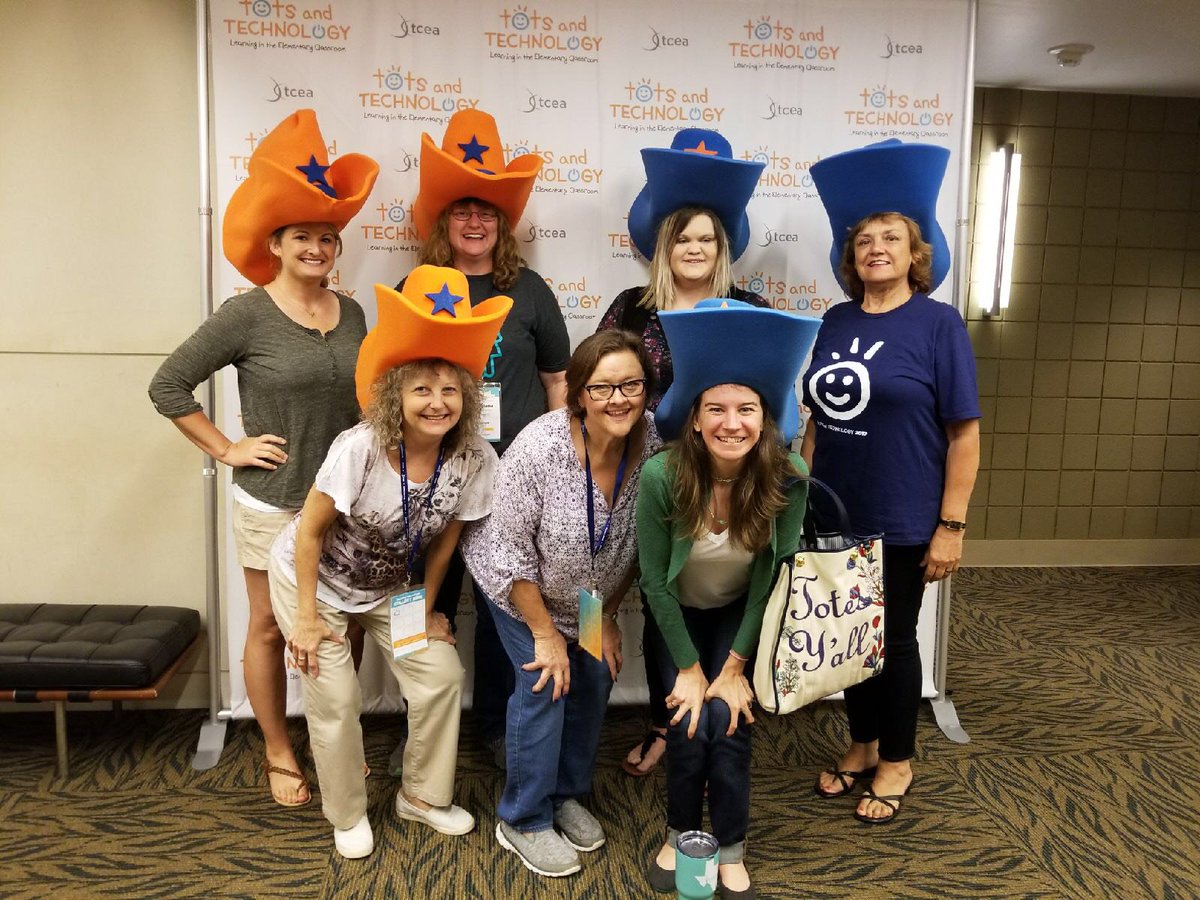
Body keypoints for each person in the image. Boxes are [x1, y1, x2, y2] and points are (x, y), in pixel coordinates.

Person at [149, 109, 378, 808]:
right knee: (271, 625)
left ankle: (332, 738)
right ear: (274, 242)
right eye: (302, 236)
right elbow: (168, 385)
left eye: (327, 236)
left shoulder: (355, 312)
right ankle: (279, 749)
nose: (316, 246)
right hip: (273, 497)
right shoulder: (245, 314)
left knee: (340, 620)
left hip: (343, 502)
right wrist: (227, 448)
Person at [267, 265, 511, 858]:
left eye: (450, 390)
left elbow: (447, 539)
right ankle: (347, 813)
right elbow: (308, 535)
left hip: (389, 587)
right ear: (394, 396)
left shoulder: (476, 456)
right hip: (315, 583)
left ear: (467, 398)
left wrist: (423, 609)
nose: (437, 403)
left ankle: (422, 797)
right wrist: (303, 616)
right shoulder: (361, 448)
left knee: (438, 675)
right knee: (339, 699)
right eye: (421, 390)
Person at [803, 140, 981, 825]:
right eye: (865, 240)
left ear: (917, 253)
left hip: (906, 515)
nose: (876, 248)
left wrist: (952, 524)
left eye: (893, 238)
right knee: (850, 638)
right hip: (834, 511)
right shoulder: (835, 320)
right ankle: (861, 744)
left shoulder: (939, 325)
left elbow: (963, 433)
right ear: (851, 258)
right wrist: (806, 490)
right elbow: (817, 418)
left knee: (895, 641)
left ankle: (898, 759)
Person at [596, 128, 769, 777]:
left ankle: (718, 715)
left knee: (718, 601)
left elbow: (768, 404)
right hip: (649, 483)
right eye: (681, 238)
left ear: (721, 247)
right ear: (662, 246)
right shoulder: (632, 310)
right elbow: (600, 392)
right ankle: (668, 722)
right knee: (660, 601)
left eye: (705, 239)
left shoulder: (749, 309)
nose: (693, 248)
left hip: (729, 489)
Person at [402, 108, 571, 769]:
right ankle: (423, 732)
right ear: (444, 222)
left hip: (516, 482)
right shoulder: (420, 289)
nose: (474, 223)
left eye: (488, 213)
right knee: (423, 601)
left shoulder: (529, 291)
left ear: (502, 226)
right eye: (462, 211)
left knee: (509, 599)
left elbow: (559, 381)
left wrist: (560, 465)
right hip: (435, 476)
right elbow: (397, 381)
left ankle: (502, 731)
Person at [461, 330, 663, 878]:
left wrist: (608, 618)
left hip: (589, 595)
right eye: (602, 388)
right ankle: (522, 817)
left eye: (631, 385)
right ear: (577, 395)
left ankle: (567, 793)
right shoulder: (540, 448)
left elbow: (632, 546)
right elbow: (508, 548)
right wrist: (547, 634)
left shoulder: (653, 445)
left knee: (594, 673)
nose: (618, 399)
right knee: (545, 681)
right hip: (518, 587)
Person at [638, 299, 819, 899]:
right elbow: (655, 583)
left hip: (744, 617)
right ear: (693, 419)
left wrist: (737, 665)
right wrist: (691, 669)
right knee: (689, 721)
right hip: (679, 617)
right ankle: (680, 832)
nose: (731, 422)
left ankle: (733, 846)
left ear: (764, 417)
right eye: (715, 408)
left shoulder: (786, 473)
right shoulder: (664, 475)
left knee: (731, 719)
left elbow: (775, 577)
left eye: (746, 409)